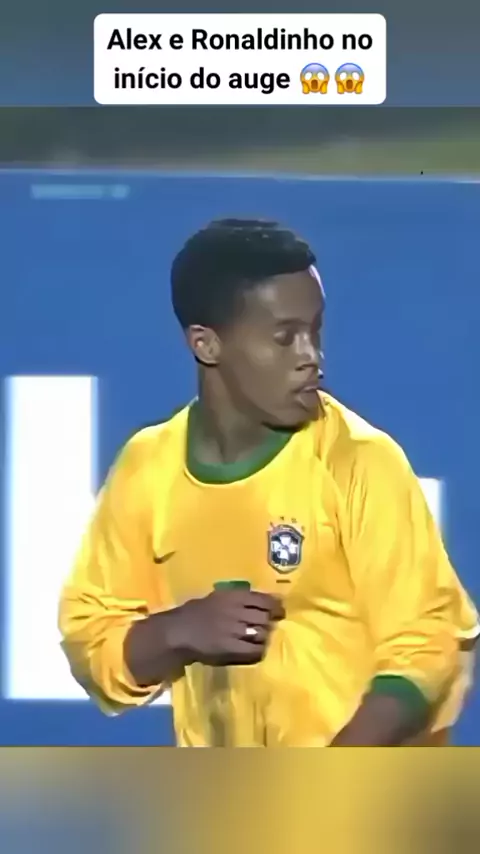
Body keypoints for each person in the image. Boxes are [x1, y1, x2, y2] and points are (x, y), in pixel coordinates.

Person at [59, 218, 479, 747]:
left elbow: (429, 644)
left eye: (314, 331)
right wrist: (179, 630)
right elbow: (92, 637)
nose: (311, 357)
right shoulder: (148, 467)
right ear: (207, 345)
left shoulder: (358, 461)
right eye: (284, 338)